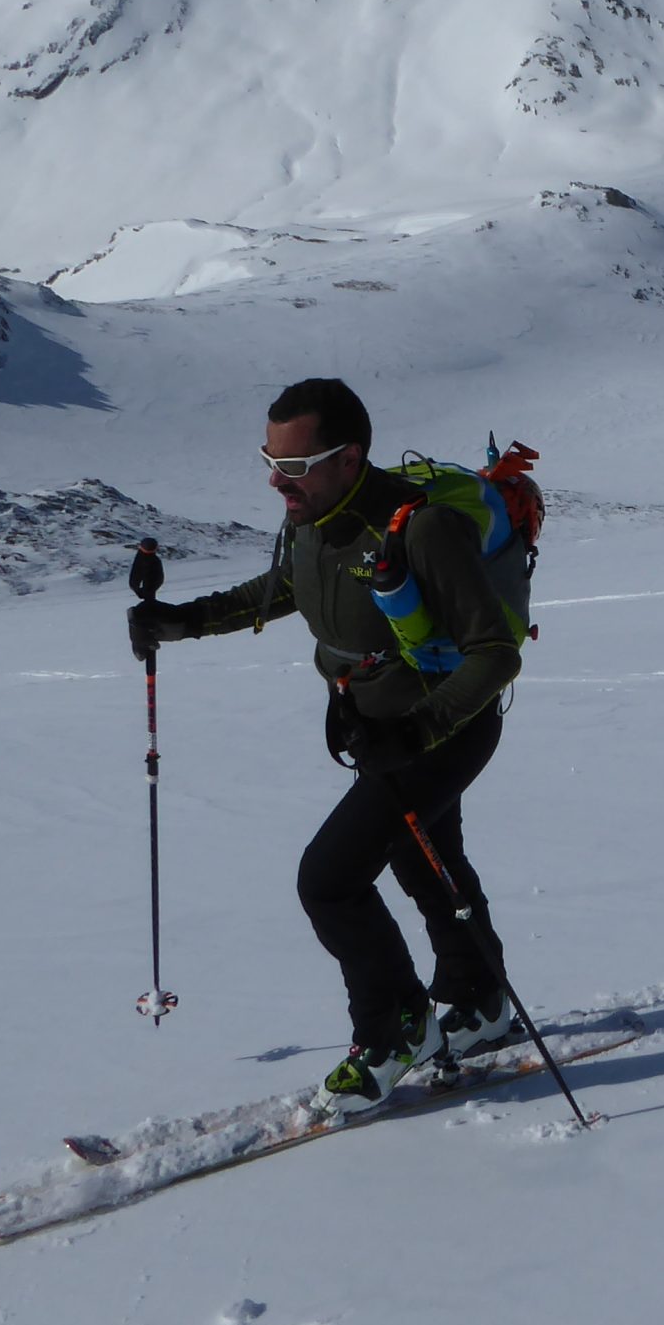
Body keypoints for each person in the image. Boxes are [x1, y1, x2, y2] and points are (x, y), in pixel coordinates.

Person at [125, 379, 526, 1115]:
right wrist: (183, 621)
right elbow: (281, 591)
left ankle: (397, 1027)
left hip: (442, 730)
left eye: (297, 465)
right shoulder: (314, 518)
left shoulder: (424, 528)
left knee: (330, 880)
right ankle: (481, 1001)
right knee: (422, 857)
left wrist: (419, 730)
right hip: (376, 727)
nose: (277, 480)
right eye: (270, 461)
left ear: (352, 458)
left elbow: (496, 653)